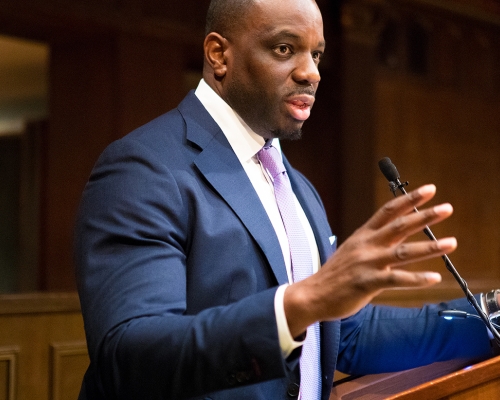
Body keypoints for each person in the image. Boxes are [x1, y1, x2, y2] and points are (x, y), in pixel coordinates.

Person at [74, 0, 498, 399]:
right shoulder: (146, 168)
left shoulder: (294, 184)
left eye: (316, 55)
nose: (311, 73)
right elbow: (128, 355)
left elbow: (340, 333)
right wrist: (303, 301)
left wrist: (494, 312)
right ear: (219, 55)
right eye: (284, 48)